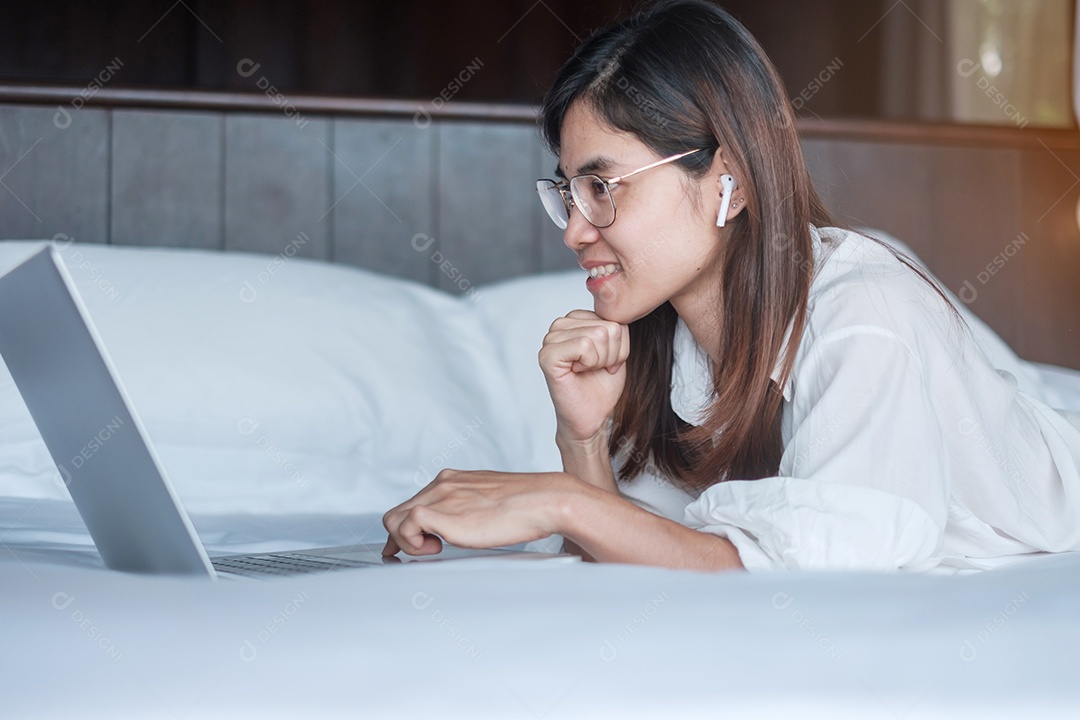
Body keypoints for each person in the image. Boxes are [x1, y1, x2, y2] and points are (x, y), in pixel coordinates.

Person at [382, 0, 1080, 572]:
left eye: (602, 186)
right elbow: (645, 559)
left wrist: (564, 501)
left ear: (731, 181)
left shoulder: (866, 311)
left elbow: (841, 566)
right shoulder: (665, 341)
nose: (573, 229)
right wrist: (582, 440)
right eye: (567, 192)